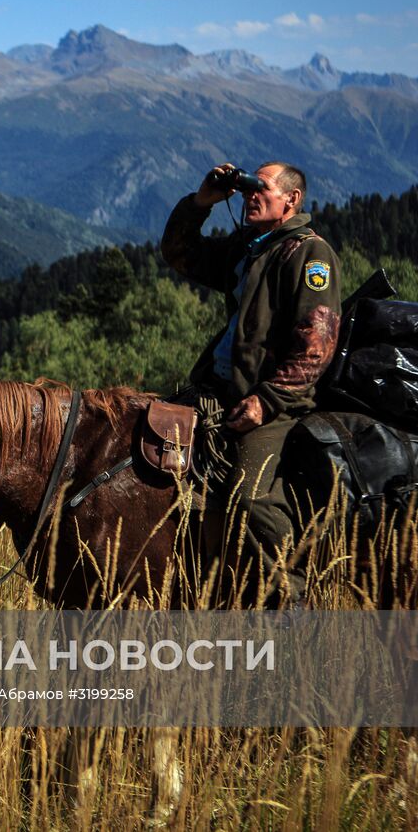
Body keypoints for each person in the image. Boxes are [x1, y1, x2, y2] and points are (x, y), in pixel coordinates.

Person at [161, 161, 341, 604]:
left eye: (260, 189)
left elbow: (316, 345)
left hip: (274, 403)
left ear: (292, 199)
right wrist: (203, 201)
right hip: (215, 391)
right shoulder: (250, 247)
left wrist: (266, 401)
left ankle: (294, 600)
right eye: (246, 189)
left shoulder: (309, 254)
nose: (249, 197)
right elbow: (179, 253)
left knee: (248, 500)